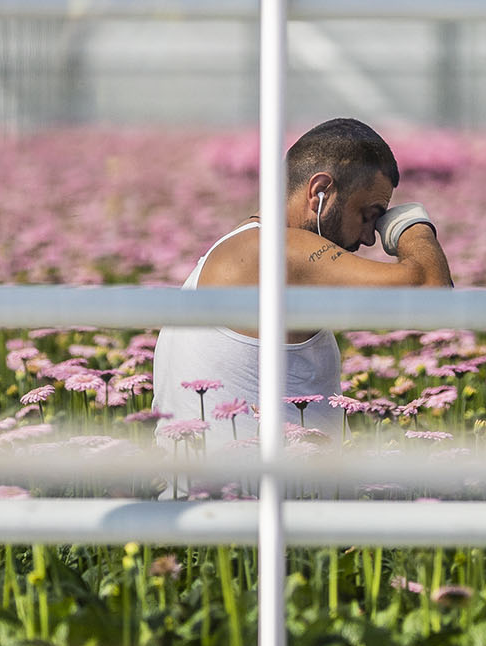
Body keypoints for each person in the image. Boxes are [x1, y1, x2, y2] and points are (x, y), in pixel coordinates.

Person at [151, 118, 453, 454]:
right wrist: (410, 223)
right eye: (369, 214)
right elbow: (431, 289)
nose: (370, 237)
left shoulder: (248, 249)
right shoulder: (272, 251)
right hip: (247, 499)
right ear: (319, 191)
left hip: (239, 494)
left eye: (379, 220)